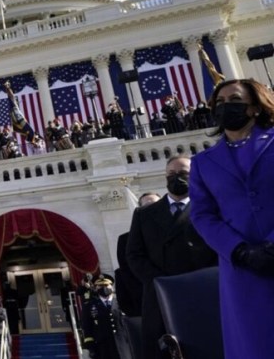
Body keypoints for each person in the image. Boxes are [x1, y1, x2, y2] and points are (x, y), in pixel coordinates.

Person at [188, 78, 274, 359]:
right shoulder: (203, 162)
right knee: (255, 344)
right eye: (220, 103)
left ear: (255, 107)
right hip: (244, 269)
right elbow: (202, 215)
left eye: (235, 100)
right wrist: (238, 250)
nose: (226, 107)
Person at [125, 154, 216, 359]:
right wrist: (158, 280)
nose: (177, 177)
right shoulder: (143, 214)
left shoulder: (209, 207)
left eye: (183, 173)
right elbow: (134, 254)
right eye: (171, 173)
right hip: (160, 293)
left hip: (201, 290)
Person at [81, 277, 119, 359]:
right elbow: (87, 326)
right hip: (101, 344)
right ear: (96, 288)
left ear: (112, 286)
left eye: (106, 285)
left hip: (121, 343)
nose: (104, 288)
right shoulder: (89, 306)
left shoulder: (120, 302)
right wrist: (90, 346)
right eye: (100, 286)